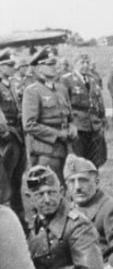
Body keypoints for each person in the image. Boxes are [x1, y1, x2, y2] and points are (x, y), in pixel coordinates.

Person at [21, 49, 74, 181]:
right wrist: (57, 135)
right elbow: (29, 125)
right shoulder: (32, 91)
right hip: (46, 150)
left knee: (63, 187)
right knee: (47, 186)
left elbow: (69, 117)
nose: (55, 67)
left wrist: (73, 127)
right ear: (39, 68)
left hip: (65, 148)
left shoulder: (61, 89)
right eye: (50, 64)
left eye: (55, 63)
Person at [0, 52, 27, 224]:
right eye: (8, 66)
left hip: (18, 135)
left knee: (17, 179)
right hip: (5, 137)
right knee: (4, 180)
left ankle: (19, 218)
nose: (12, 69)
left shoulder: (12, 84)